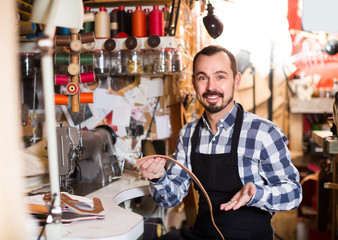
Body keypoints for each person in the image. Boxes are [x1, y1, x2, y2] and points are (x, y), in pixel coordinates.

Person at [138, 45, 302, 240]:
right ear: (194, 83)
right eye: (202, 77)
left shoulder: (263, 133)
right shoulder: (189, 134)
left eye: (220, 77)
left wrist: (256, 194)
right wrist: (158, 179)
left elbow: (293, 194)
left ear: (236, 81)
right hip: (203, 234)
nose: (210, 87)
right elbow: (171, 199)